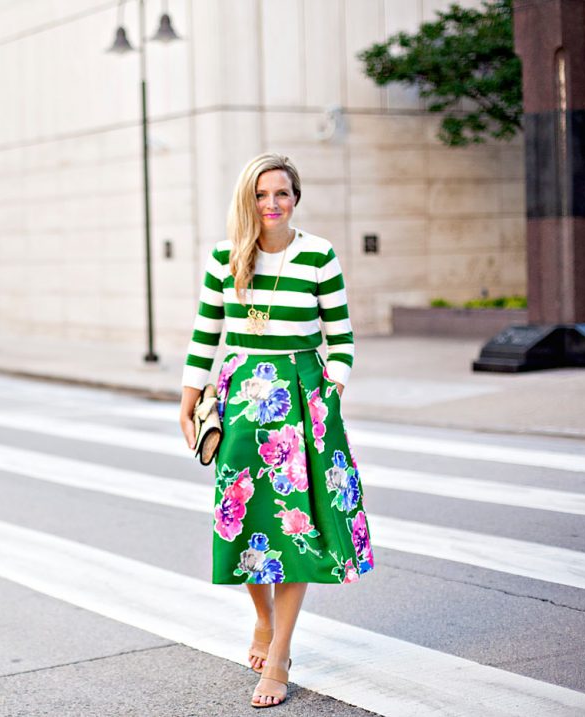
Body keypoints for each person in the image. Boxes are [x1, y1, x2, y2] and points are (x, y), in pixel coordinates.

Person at [178, 153, 374, 708]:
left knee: (297, 527)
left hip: (303, 400)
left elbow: (341, 336)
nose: (271, 204)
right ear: (248, 199)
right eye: (262, 195)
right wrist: (189, 395)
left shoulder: (318, 254)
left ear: (295, 198)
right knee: (241, 517)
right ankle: (262, 616)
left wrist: (331, 387)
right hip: (242, 397)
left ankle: (281, 653)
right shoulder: (225, 257)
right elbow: (205, 331)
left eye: (282, 194)